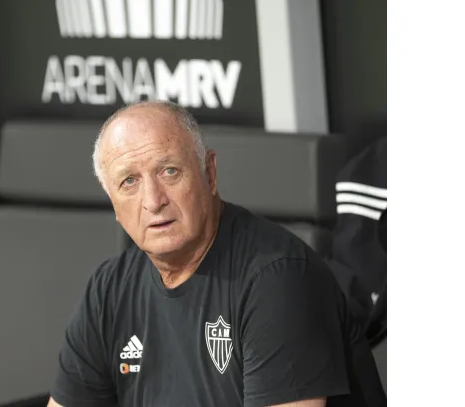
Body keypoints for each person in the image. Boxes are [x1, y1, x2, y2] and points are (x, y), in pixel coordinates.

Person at [47, 101, 386, 407]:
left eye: (169, 171)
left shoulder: (278, 276)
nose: (153, 200)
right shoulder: (108, 289)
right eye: (129, 182)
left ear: (209, 173)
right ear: (113, 204)